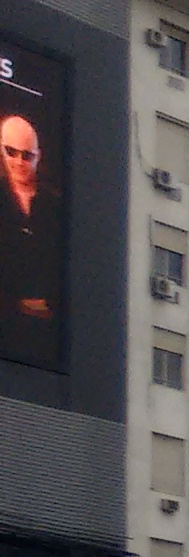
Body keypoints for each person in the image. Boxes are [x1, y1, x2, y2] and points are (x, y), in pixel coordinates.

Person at [0, 113, 58, 371]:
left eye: (27, 156)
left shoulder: (56, 205)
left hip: (49, 338)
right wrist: (16, 304)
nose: (18, 162)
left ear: (38, 156)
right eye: (10, 152)